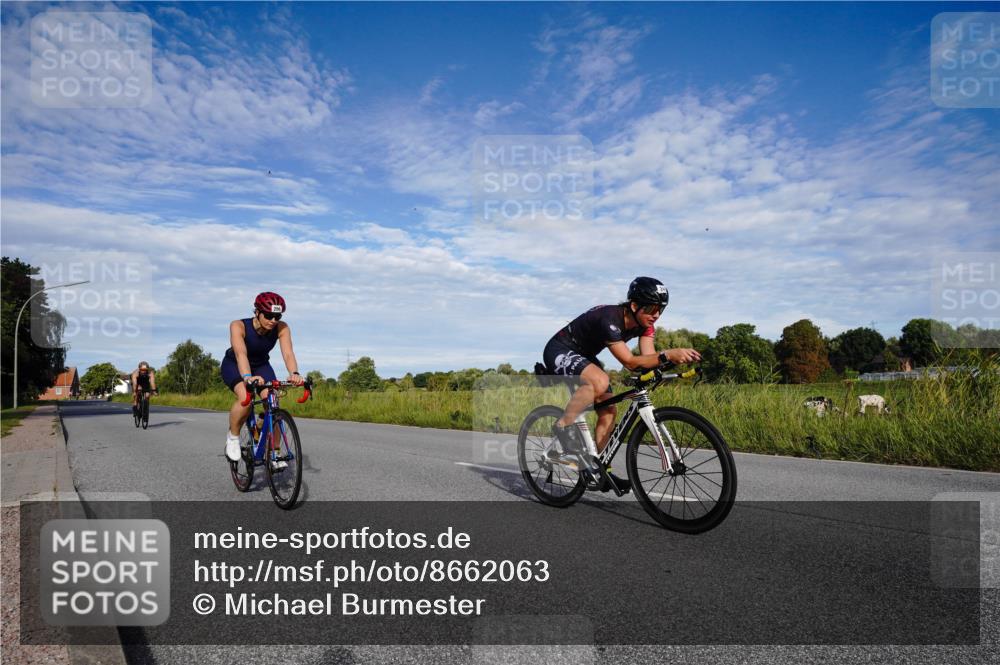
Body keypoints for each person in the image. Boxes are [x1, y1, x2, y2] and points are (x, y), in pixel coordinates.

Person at [542, 276, 701, 493]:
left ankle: (594, 468)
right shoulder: (610, 318)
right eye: (652, 308)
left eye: (661, 310)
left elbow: (647, 359)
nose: (656, 315)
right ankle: (562, 427)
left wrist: (666, 366)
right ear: (634, 305)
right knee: (599, 380)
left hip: (585, 355)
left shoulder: (646, 326)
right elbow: (629, 362)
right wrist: (668, 354)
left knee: (608, 411)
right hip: (560, 349)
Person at [221, 292, 305, 467]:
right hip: (235, 365)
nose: (273, 320)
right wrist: (247, 377)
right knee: (246, 396)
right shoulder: (238, 325)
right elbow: (240, 353)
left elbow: (288, 353)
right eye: (268, 315)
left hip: (261, 366)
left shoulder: (282, 328)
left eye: (277, 316)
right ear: (257, 312)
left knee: (272, 402)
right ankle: (233, 436)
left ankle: (274, 451)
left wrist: (294, 373)